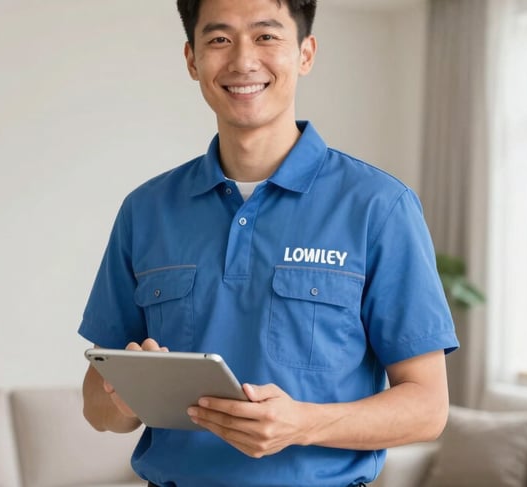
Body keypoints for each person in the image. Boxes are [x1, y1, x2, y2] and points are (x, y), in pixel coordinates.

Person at [79, 0, 459, 485]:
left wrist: (304, 424)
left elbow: (428, 408)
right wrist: (125, 400)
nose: (243, 60)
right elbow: (96, 406)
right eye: (219, 39)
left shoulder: (379, 206)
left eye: (266, 36)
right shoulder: (146, 210)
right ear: (192, 60)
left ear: (305, 53)